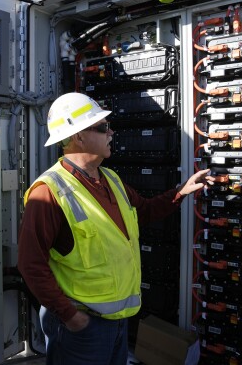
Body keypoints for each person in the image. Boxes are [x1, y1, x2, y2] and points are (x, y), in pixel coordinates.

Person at [17, 92, 213, 365]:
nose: (111, 132)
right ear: (79, 137)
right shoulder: (48, 192)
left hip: (116, 323)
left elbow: (143, 211)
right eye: (103, 127)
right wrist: (69, 315)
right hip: (79, 326)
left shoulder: (110, 179)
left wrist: (180, 192)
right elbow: (30, 263)